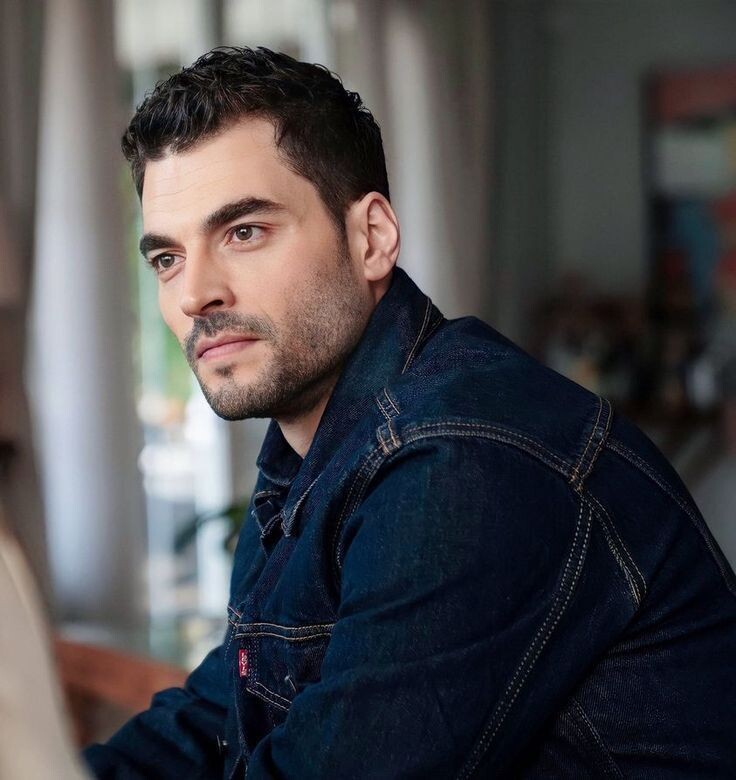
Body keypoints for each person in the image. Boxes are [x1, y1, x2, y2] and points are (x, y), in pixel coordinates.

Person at [84, 47, 736, 778]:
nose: (194, 293)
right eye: (167, 258)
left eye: (244, 232)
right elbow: (215, 719)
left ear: (372, 238)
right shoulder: (312, 457)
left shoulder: (463, 455)